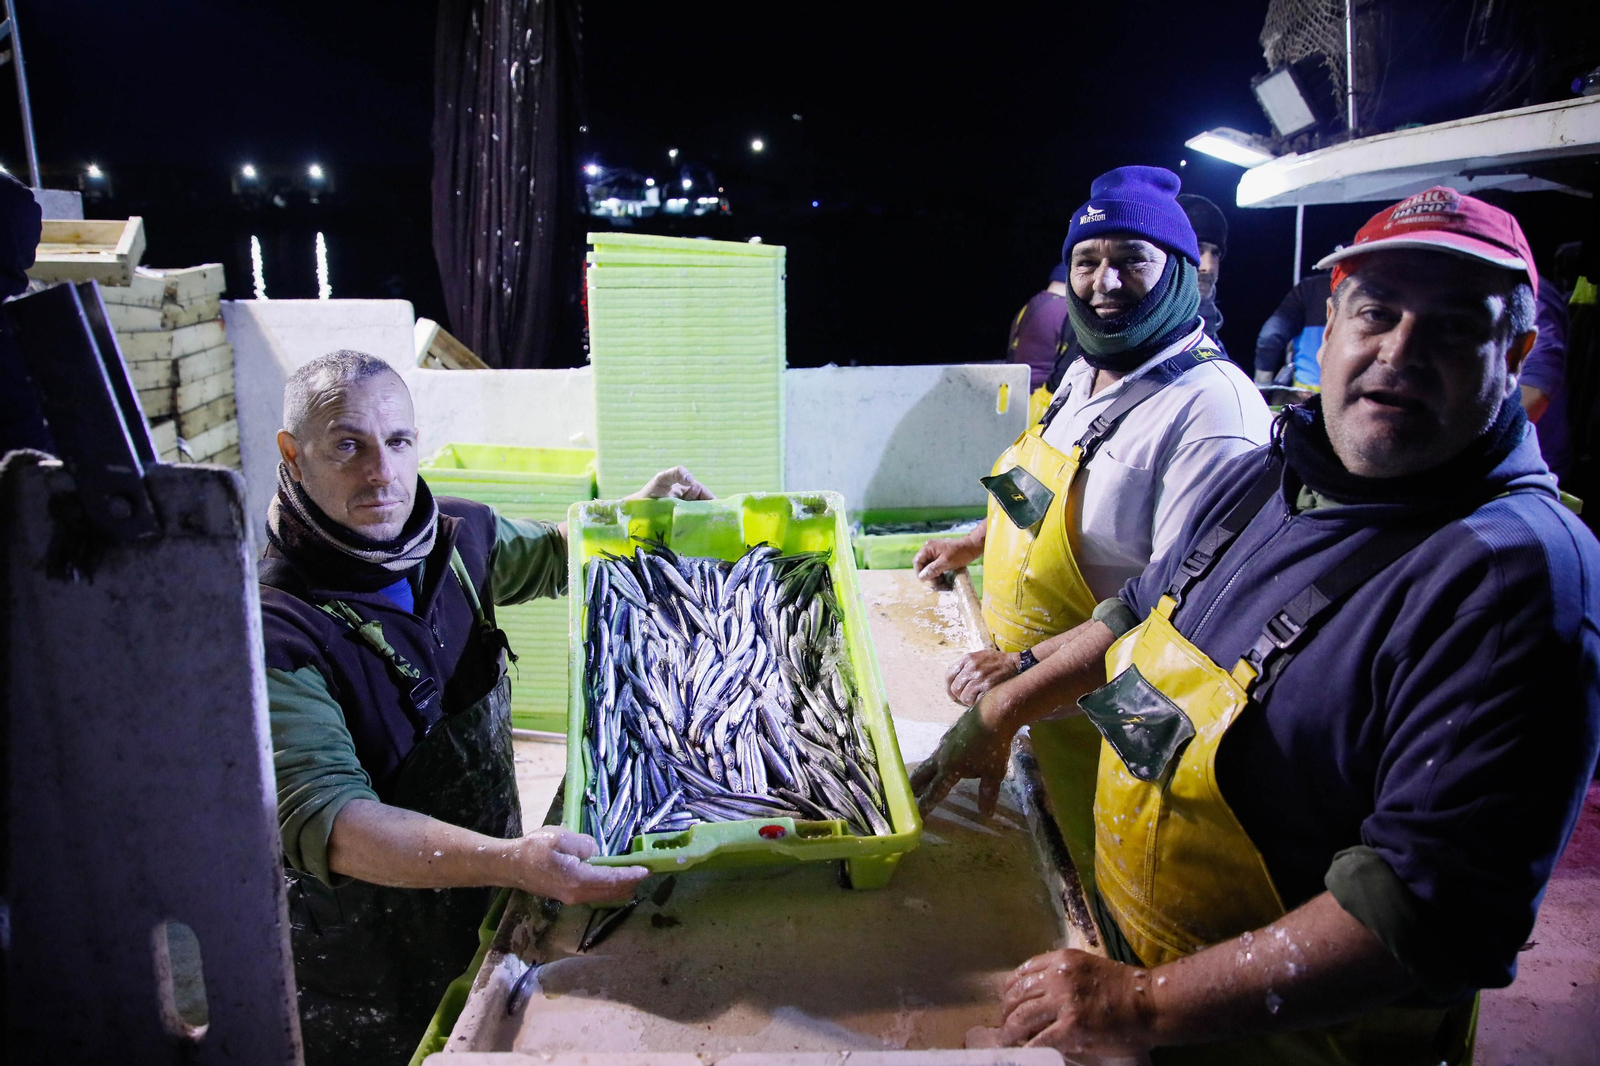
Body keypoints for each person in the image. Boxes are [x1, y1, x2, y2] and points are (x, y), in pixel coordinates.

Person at [913, 188, 1600, 1062]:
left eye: (1456, 326)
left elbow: (1427, 909)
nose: (1401, 351)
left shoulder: (1512, 577)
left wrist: (1145, 1006)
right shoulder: (1279, 473)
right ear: (1333, 327)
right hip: (1139, 971)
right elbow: (1135, 612)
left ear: (1519, 352)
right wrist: (1007, 703)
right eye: (1376, 313)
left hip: (1285, 1040)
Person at [261, 350, 710, 1063]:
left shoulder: (459, 534)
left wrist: (632, 515)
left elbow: (563, 548)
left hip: (492, 883)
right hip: (370, 948)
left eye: (398, 442)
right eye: (347, 446)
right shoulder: (276, 630)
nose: (381, 473)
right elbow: (332, 821)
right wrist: (511, 860)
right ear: (293, 455)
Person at [912, 166, 1270, 869]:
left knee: (1101, 873)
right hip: (1025, 692)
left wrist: (1020, 685)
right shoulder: (1088, 367)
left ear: (1181, 272)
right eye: (1088, 260)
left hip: (1112, 716)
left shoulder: (1213, 410)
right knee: (1029, 855)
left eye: (1131, 260)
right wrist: (976, 541)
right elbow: (1039, 485)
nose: (1104, 282)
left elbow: (1175, 609)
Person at [1254, 269, 1333, 389]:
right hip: (1348, 397)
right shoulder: (1365, 289)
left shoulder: (1309, 288)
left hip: (1305, 394)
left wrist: (1262, 386)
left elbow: (1269, 336)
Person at [1176, 192, 1228, 354]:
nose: (1208, 266)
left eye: (1215, 253)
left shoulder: (1210, 328)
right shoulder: (1144, 333)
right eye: (1198, 249)